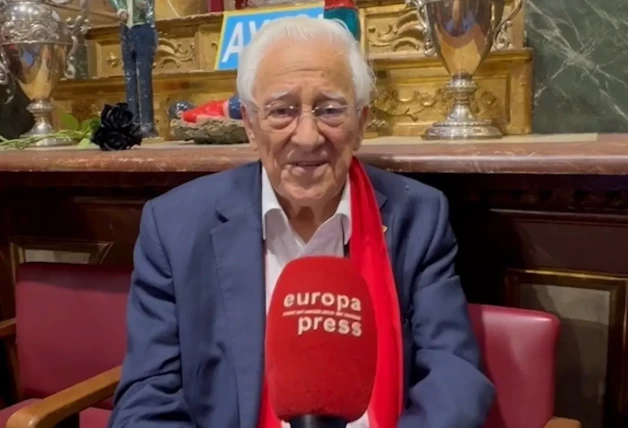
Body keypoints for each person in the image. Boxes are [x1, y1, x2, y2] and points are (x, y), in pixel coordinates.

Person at [108, 16, 495, 428]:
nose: (307, 136)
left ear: (361, 123)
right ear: (251, 127)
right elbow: (146, 401)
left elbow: (454, 378)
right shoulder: (175, 227)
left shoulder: (418, 217)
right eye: (282, 111)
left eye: (330, 110)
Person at [108, 0, 159, 138]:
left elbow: (146, 5)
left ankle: (147, 123)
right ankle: (133, 123)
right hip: (126, 30)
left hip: (143, 27)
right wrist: (120, 10)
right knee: (129, 78)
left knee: (144, 78)